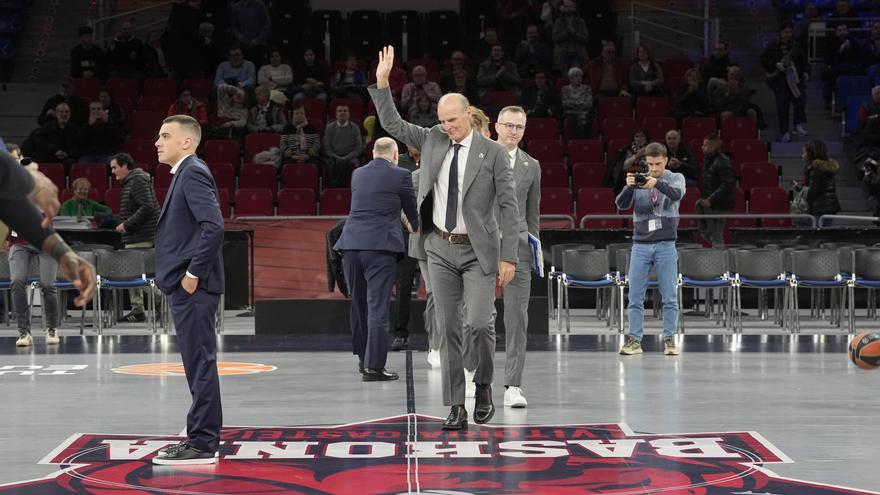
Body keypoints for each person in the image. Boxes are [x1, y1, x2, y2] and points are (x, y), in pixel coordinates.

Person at [369, 46, 519, 430]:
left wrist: (509, 256)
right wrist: (383, 84)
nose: (447, 127)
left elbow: (509, 208)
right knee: (448, 327)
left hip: (478, 252)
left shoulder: (494, 153)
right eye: (442, 121)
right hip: (438, 248)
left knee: (480, 325)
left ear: (468, 115)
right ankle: (456, 404)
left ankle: (483, 384)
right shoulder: (433, 138)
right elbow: (394, 125)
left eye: (452, 120)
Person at [152, 115, 225, 465]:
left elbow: (213, 227)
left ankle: (202, 443)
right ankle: (201, 438)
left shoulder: (192, 171)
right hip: (186, 286)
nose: (157, 142)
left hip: (193, 286)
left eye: (165, 136)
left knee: (200, 363)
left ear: (186, 142)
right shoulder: (185, 172)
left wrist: (193, 274)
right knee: (197, 362)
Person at [333, 137, 419, 381]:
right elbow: (410, 209)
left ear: (373, 153)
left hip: (350, 246)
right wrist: (415, 225)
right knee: (377, 307)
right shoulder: (402, 175)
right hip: (379, 248)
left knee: (359, 305)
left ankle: (363, 358)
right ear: (394, 155)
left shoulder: (357, 174)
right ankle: (374, 367)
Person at [1, 152, 97, 346]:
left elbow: (34, 220)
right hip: (18, 244)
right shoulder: (9, 188)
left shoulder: (36, 189)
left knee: (48, 284)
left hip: (42, 245)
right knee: (17, 281)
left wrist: (61, 251)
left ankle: (52, 327)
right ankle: (24, 332)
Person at [615, 142, 685, 357]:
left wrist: (655, 183)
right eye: (650, 164)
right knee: (635, 295)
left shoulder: (675, 178)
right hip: (641, 245)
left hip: (665, 244)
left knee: (669, 295)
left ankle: (670, 339)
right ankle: (634, 340)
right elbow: (621, 204)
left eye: (658, 163)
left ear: (666, 160)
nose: (653, 168)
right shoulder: (640, 178)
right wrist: (629, 186)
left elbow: (676, 195)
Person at [493, 106, 540, 408]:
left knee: (517, 319)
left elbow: (531, 212)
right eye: (508, 125)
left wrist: (535, 249)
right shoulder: (479, 157)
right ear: (496, 126)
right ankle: (475, 374)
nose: (513, 131)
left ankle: (513, 385)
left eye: (519, 127)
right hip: (482, 247)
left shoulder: (531, 165)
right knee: (477, 318)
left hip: (520, 249)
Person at [111, 152, 160, 323]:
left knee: (137, 275)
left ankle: (163, 301)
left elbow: (148, 207)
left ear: (125, 166)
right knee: (134, 275)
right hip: (135, 236)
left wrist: (127, 225)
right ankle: (138, 310)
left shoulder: (137, 180)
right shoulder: (132, 181)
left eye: (115, 167)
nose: (113, 171)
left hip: (141, 236)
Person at [761, 24, 809, 143]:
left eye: (789, 32)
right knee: (782, 107)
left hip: (795, 79)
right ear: (780, 33)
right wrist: (775, 64)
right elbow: (764, 60)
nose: (788, 34)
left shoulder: (796, 45)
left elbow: (804, 61)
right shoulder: (772, 46)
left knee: (800, 100)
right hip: (780, 80)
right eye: (785, 32)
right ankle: (784, 131)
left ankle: (797, 124)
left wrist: (806, 72)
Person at [697, 133, 735, 247]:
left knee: (716, 236)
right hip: (711, 203)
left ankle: (720, 260)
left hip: (720, 204)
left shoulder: (722, 161)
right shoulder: (710, 160)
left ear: (713, 147)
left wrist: (711, 199)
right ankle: (719, 257)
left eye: (705, 145)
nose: (702, 147)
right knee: (711, 234)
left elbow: (728, 184)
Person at [21, 102, 80, 172]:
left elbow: (77, 146)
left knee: (70, 163)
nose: (64, 114)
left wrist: (67, 154)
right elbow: (40, 142)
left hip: (66, 158)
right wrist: (55, 151)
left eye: (66, 112)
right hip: (48, 156)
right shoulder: (47, 127)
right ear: (56, 114)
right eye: (61, 112)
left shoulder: (75, 129)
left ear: (70, 114)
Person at [322, 105, 363, 187]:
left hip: (351, 157)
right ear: (336, 114)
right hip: (333, 157)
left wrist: (345, 158)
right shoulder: (329, 127)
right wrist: (337, 157)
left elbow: (358, 149)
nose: (342, 113)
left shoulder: (355, 127)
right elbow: (327, 148)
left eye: (345, 111)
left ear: (349, 114)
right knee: (329, 164)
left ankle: (345, 188)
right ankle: (334, 188)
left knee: (355, 164)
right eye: (340, 111)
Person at [800, 140, 842, 220]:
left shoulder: (816, 168)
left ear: (811, 154)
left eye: (804, 152)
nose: (802, 155)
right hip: (828, 207)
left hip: (819, 208)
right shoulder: (826, 166)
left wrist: (803, 192)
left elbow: (813, 191)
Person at [77, 100, 123, 164]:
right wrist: (89, 126)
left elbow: (117, 140)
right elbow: (79, 140)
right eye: (93, 109)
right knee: (83, 163)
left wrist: (107, 123)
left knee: (108, 163)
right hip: (88, 154)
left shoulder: (110, 123)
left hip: (106, 154)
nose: (96, 111)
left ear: (103, 111)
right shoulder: (85, 123)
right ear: (89, 112)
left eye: (99, 109)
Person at [551, 0, 590, 71]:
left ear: (574, 7)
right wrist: (566, 32)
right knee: (564, 78)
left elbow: (585, 38)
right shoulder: (558, 21)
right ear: (563, 8)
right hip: (562, 55)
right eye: (566, 6)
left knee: (576, 75)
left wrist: (574, 33)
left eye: (571, 6)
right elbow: (555, 38)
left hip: (577, 54)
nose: (568, 8)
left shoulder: (581, 22)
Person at [231, 0, 271, 65]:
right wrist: (239, 36)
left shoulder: (260, 4)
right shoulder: (237, 6)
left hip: (259, 46)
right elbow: (233, 26)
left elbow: (267, 24)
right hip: (242, 46)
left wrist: (258, 39)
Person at [561, 67, 593, 139]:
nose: (579, 78)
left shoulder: (587, 88)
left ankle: (584, 143)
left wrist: (574, 103)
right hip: (571, 113)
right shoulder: (565, 89)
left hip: (585, 112)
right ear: (570, 78)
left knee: (586, 119)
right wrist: (581, 103)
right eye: (576, 76)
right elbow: (565, 104)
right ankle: (576, 143)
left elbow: (589, 103)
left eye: (580, 76)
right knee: (576, 120)